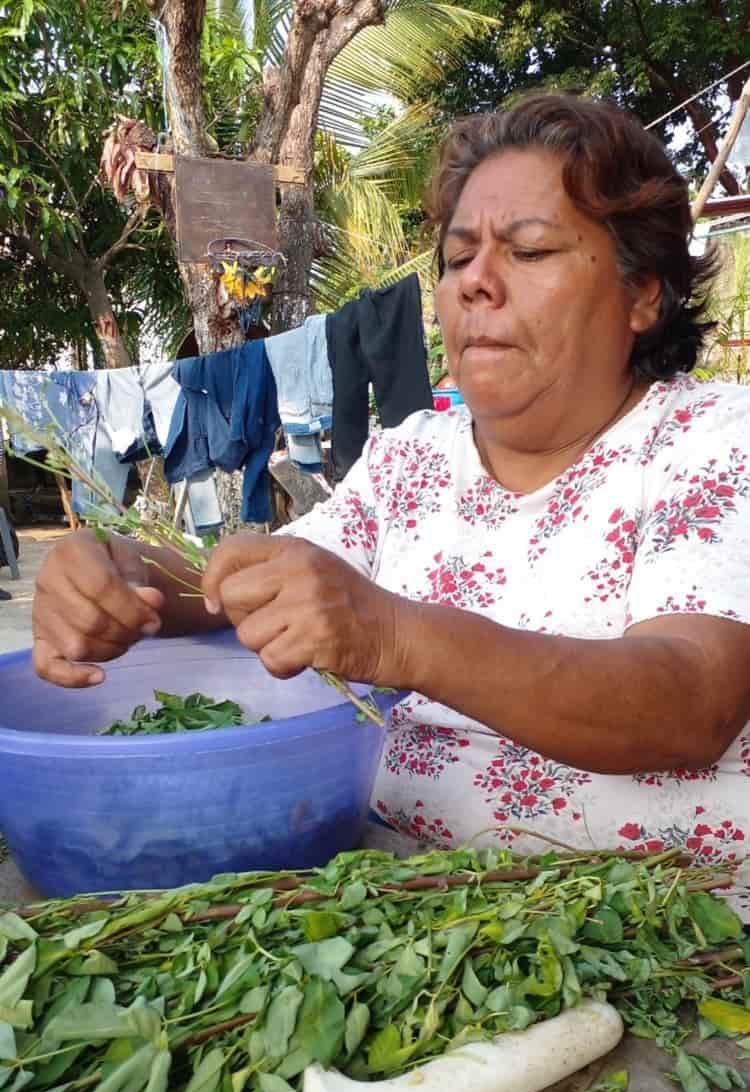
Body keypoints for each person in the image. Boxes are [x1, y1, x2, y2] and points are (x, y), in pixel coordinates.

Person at [31, 93, 750, 918]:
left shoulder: (711, 440)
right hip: (402, 909)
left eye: (530, 250)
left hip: (653, 934)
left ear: (643, 294)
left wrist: (397, 634)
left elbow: (692, 698)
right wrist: (120, 570)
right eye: (456, 256)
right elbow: (266, 579)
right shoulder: (414, 455)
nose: (476, 283)